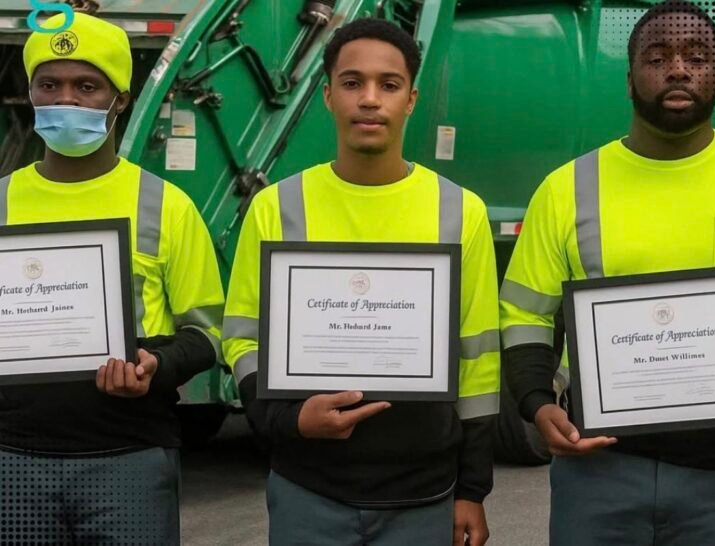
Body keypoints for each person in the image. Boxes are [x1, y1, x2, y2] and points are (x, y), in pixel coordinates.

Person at [223, 18, 500, 546]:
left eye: (388, 85)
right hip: (307, 488)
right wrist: (289, 421)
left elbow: (478, 359)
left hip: (424, 494)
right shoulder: (277, 206)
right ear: (328, 96)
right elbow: (243, 337)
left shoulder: (460, 211)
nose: (369, 99)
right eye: (352, 83)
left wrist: (473, 489)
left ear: (411, 100)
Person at [500, 1, 715, 544]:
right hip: (595, 473)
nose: (678, 69)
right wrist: (536, 403)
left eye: (697, 57)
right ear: (629, 80)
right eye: (658, 57)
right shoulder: (567, 188)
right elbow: (525, 313)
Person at [0, 12, 224, 544]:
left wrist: (155, 364)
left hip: (130, 456)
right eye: (49, 85)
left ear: (120, 99)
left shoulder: (166, 206)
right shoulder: (2, 200)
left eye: (87, 86)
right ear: (30, 93)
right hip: (11, 456)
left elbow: (209, 336)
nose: (67, 100)